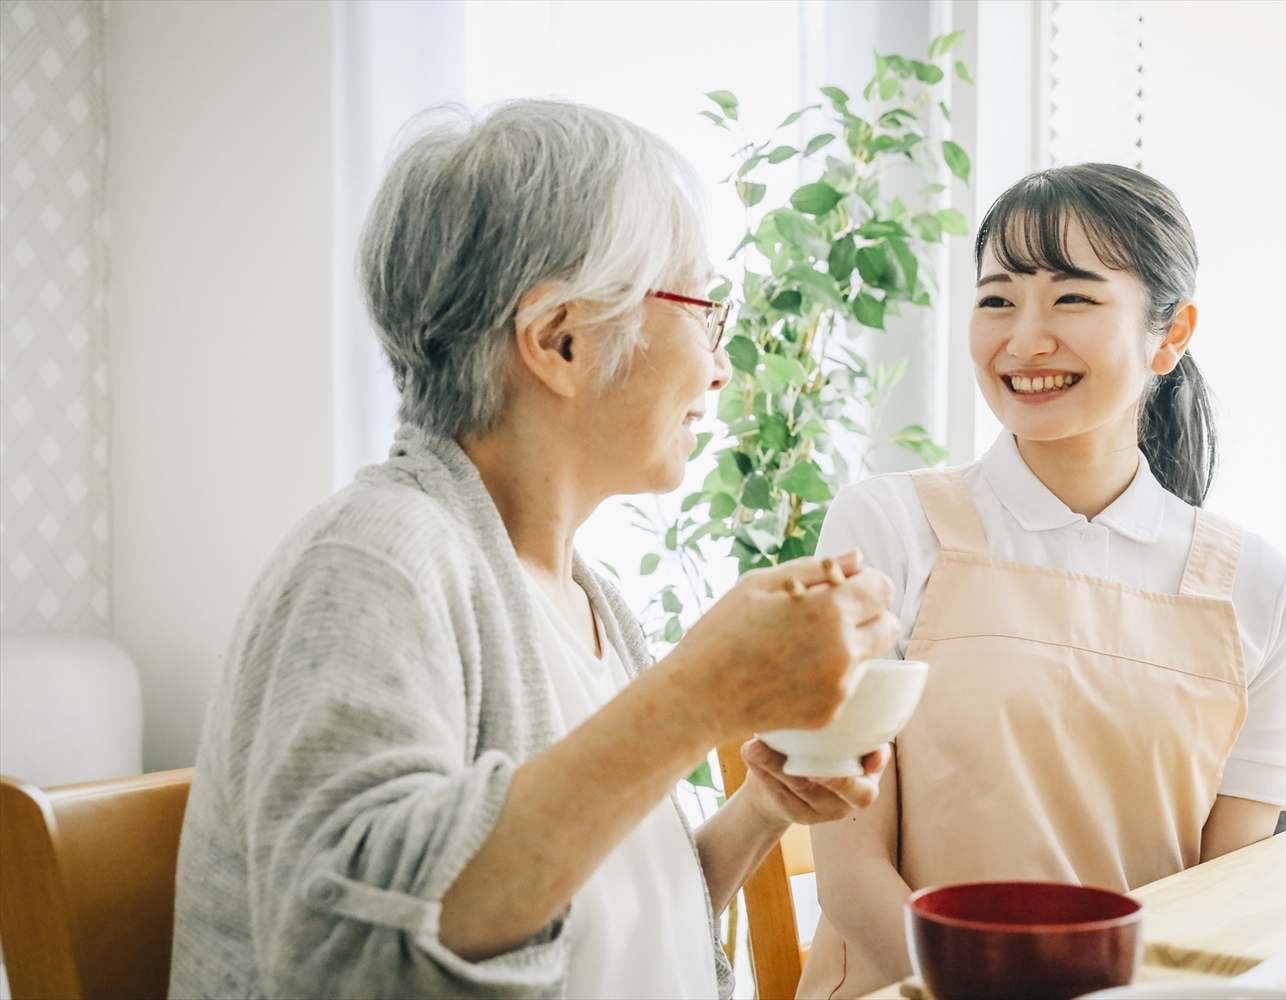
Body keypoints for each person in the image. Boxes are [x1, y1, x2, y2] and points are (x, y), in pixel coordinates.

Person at [168, 100, 900, 1000]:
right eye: (702, 309)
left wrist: (757, 813)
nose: (720, 365)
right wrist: (700, 697)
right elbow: (355, 965)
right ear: (560, 340)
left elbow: (600, 928)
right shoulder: (373, 563)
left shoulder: (580, 594)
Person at [799, 164, 1286, 998]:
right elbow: (851, 883)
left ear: (1171, 334)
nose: (1024, 340)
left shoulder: (1257, 584)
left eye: (1072, 299)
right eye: (997, 299)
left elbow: (1233, 894)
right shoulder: (886, 528)